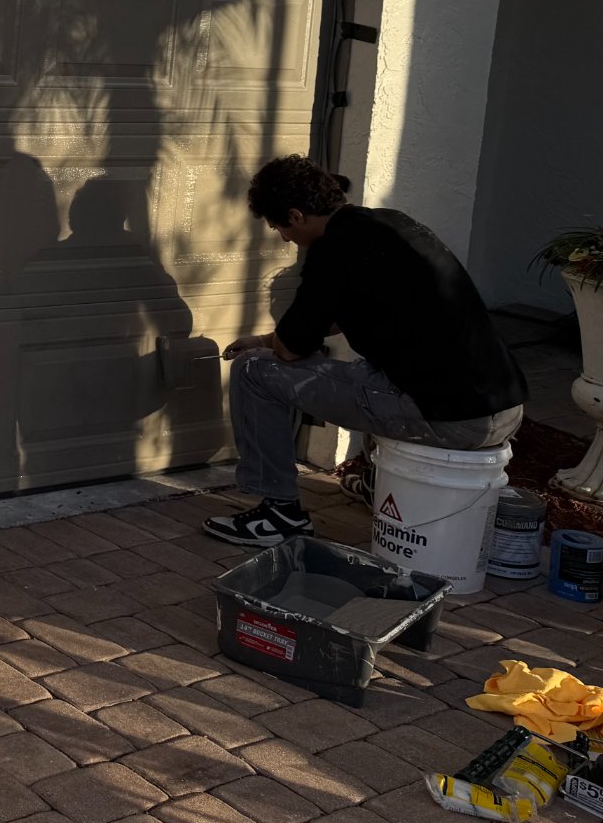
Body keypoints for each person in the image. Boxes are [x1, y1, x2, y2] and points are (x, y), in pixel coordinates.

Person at [205, 156, 527, 546]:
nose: (284, 239)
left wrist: (264, 348)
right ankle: (380, 484)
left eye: (280, 228)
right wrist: (264, 339)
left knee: (253, 372)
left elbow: (290, 351)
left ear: (296, 215)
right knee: (372, 370)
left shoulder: (332, 250)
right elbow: (334, 320)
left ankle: (279, 513)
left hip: (452, 420)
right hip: (504, 407)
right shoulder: (391, 224)